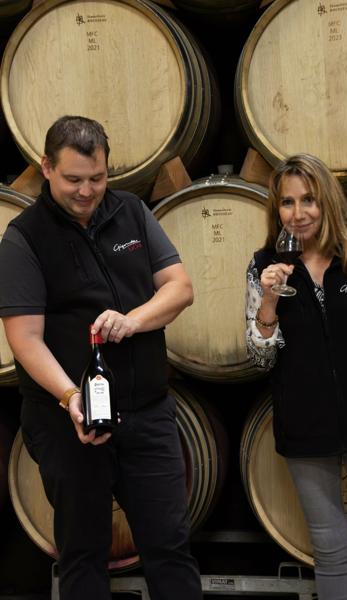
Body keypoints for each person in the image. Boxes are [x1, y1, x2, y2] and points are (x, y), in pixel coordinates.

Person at [0, 115, 203, 600]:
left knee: (170, 547)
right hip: (69, 423)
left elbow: (180, 288)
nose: (87, 191)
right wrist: (70, 396)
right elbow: (25, 339)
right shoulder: (24, 238)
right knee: (84, 552)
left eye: (98, 178)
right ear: (46, 167)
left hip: (147, 412)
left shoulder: (131, 211)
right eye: (74, 179)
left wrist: (133, 320)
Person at [246, 153, 347, 600]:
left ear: (327, 200)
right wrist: (269, 301)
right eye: (287, 202)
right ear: (276, 208)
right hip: (305, 423)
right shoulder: (263, 266)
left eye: (308, 200)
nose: (298, 213)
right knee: (329, 550)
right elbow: (260, 358)